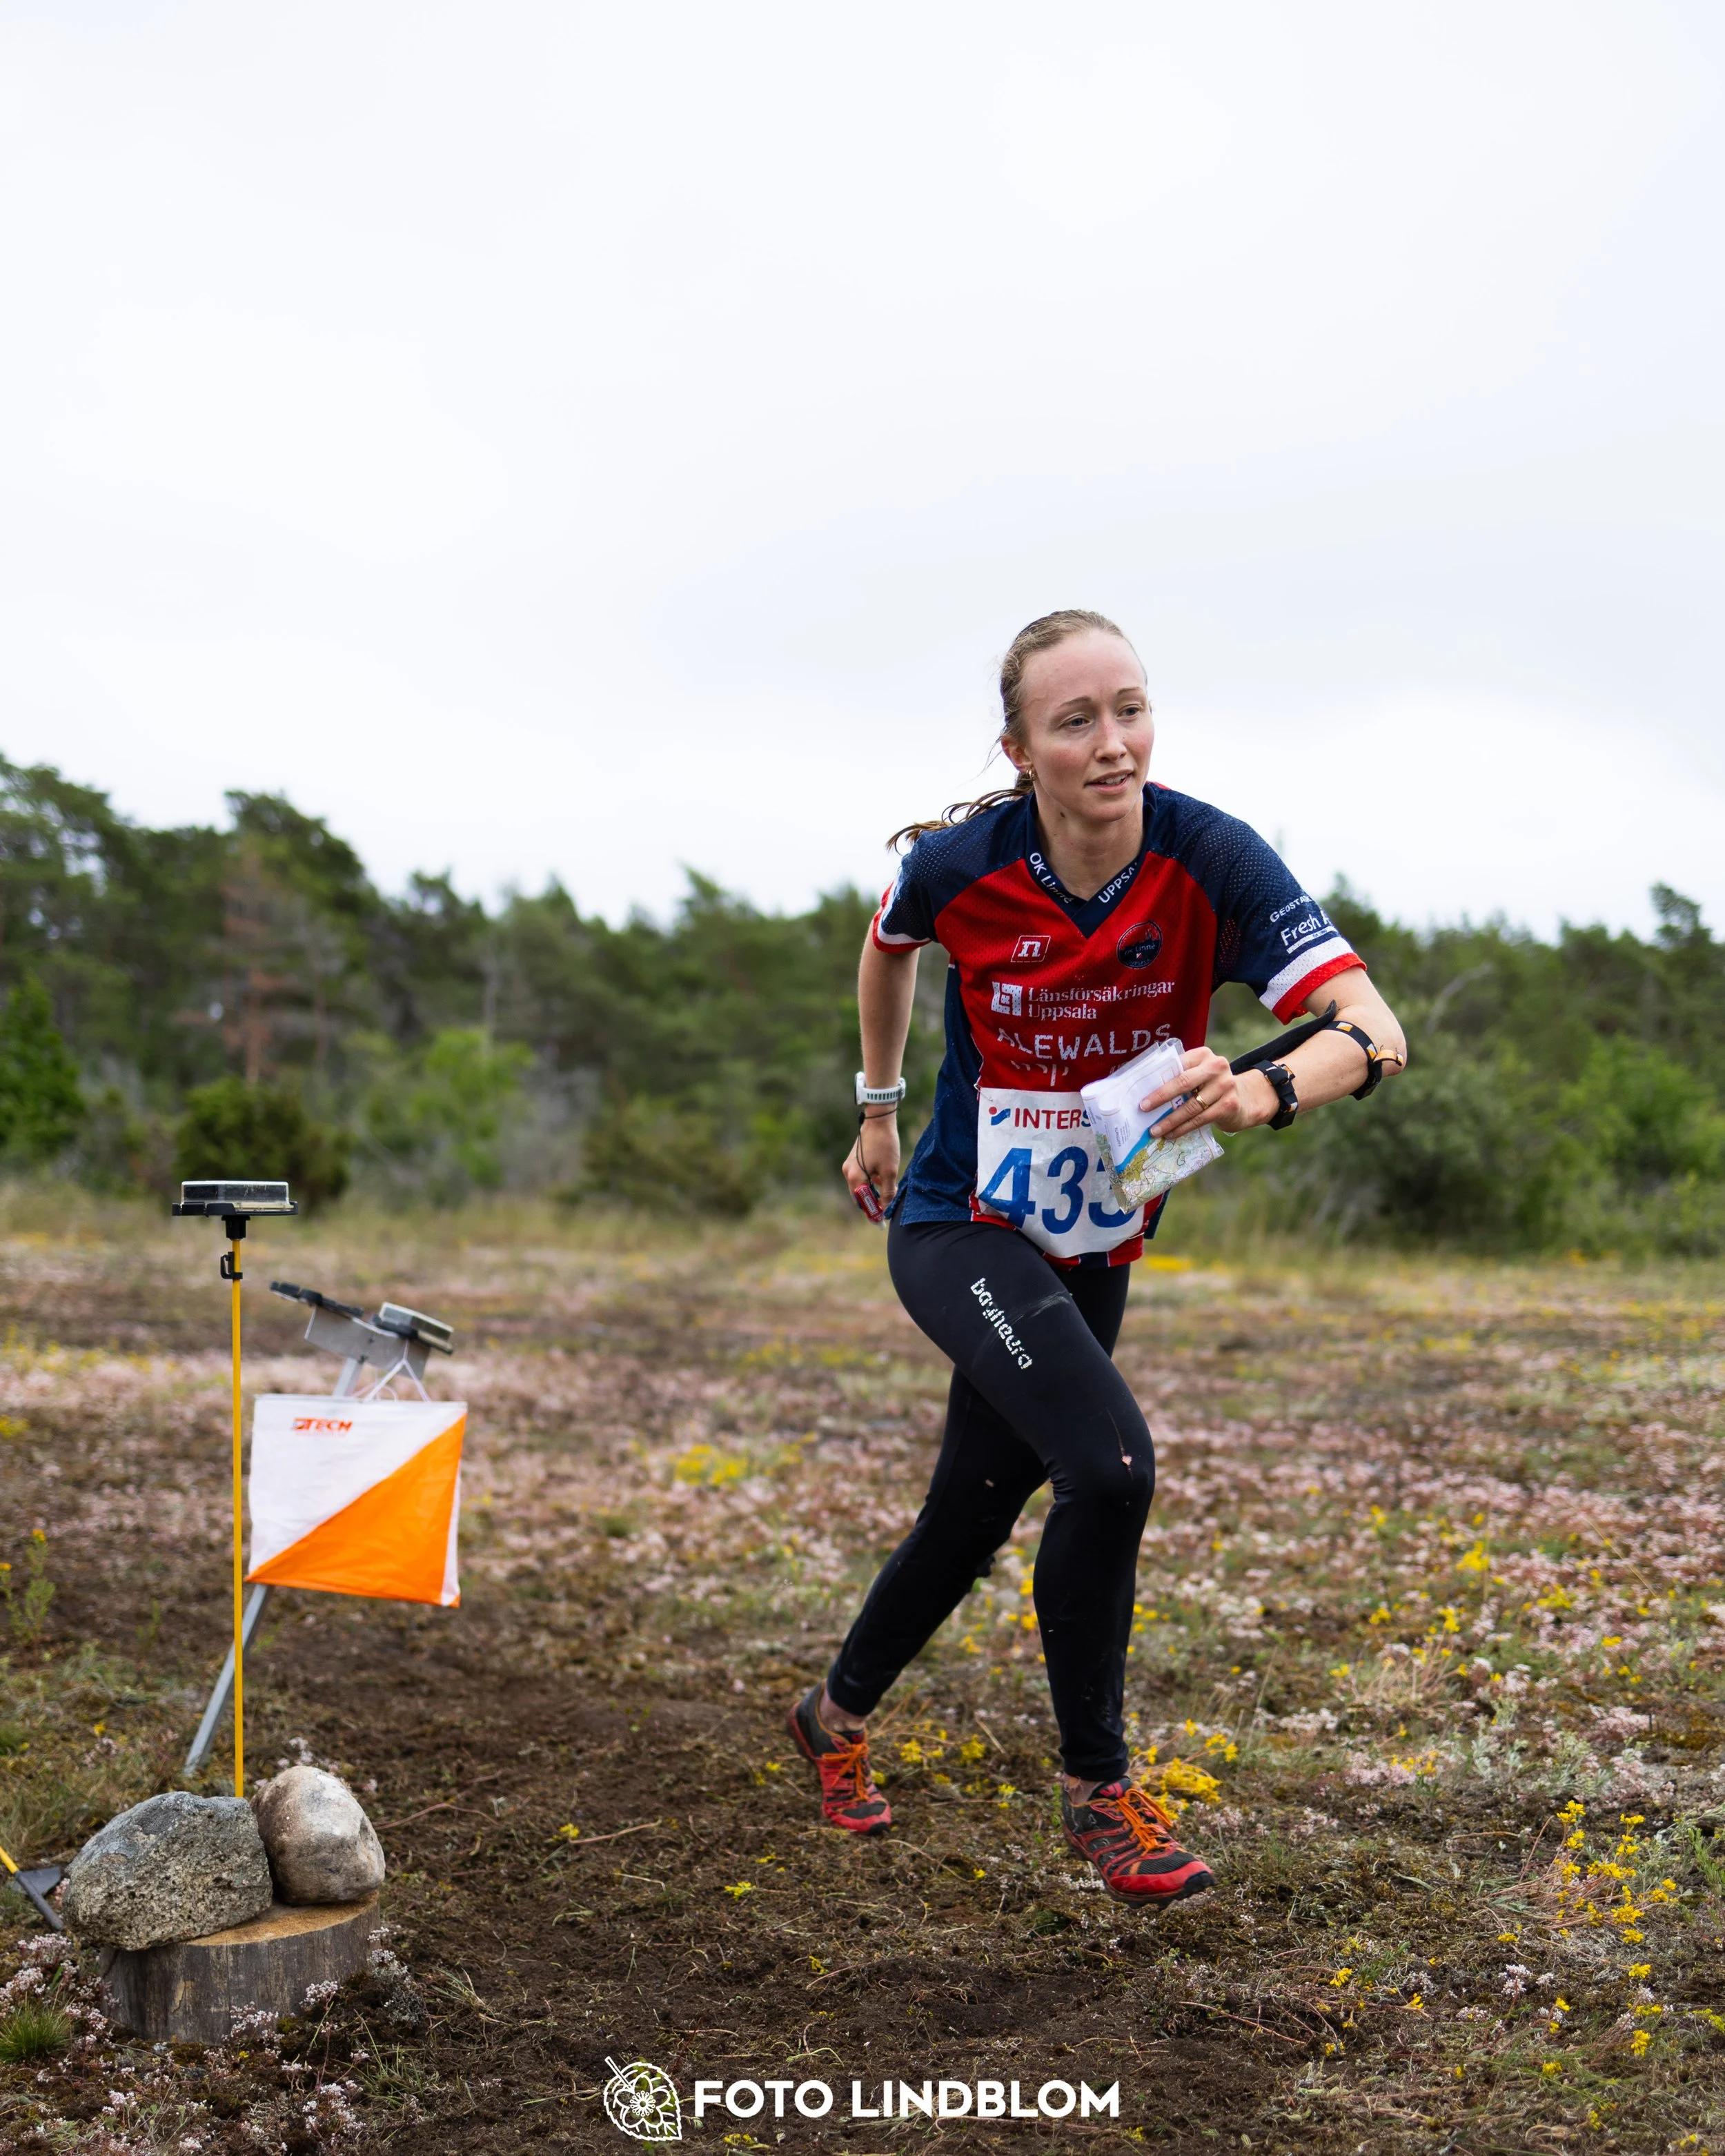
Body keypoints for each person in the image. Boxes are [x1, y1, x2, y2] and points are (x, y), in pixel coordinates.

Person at [785, 608, 1408, 1906]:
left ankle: (831, 1720)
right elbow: (887, 944)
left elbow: (1373, 1027)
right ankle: (1095, 1796)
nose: (1114, 744)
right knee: (1111, 1472)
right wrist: (880, 1109)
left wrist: (1260, 1091)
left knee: (975, 1505)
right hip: (961, 1221)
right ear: (1020, 749)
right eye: (1077, 720)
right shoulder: (962, 866)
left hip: (1100, 1227)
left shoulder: (1214, 858)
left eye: (1131, 709)